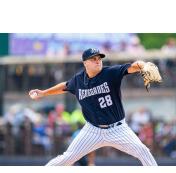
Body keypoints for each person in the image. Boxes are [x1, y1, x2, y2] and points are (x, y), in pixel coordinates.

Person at [29, 48, 157, 166]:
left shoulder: (111, 73)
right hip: (92, 130)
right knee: (67, 158)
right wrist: (44, 93)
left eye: (99, 58)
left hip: (117, 129)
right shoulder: (79, 80)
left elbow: (132, 66)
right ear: (85, 63)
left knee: (143, 151)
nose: (98, 61)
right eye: (93, 59)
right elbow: (65, 86)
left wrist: (143, 65)